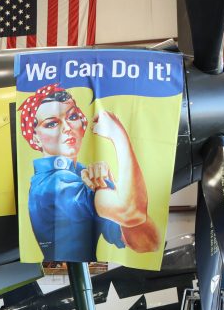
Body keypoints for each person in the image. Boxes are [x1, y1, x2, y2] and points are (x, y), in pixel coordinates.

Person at [19, 83, 159, 261]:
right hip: (66, 280)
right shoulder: (53, 184)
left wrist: (110, 186)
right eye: (52, 123)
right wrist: (119, 135)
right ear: (35, 138)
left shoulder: (81, 174)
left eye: (72, 116)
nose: (67, 128)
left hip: (87, 278)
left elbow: (148, 242)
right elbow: (131, 212)